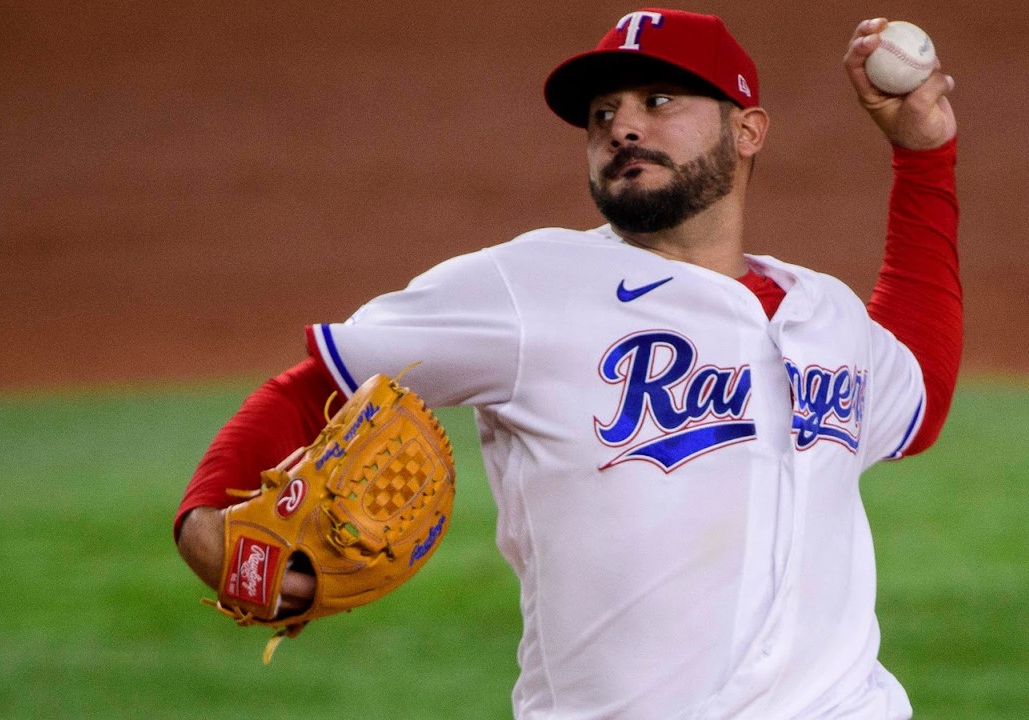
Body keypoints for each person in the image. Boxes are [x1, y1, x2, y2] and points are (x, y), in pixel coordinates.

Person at [176, 9, 960, 719]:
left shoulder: (821, 310)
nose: (622, 127)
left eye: (658, 101)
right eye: (602, 114)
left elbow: (914, 396)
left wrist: (923, 158)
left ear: (747, 130)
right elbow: (314, 387)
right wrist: (206, 525)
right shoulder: (528, 286)